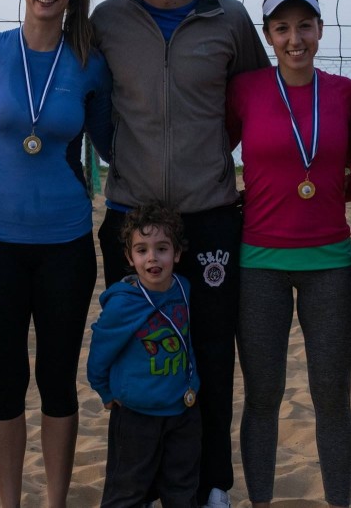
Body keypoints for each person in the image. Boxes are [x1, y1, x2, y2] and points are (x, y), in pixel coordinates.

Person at [91, 0, 270, 508]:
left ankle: (213, 484)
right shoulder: (108, 20)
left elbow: (249, 105)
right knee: (137, 355)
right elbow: (91, 105)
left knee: (212, 351)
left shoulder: (231, 19)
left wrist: (209, 159)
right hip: (132, 216)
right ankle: (133, 485)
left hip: (209, 213)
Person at [0, 0, 112, 508]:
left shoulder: (90, 62)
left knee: (56, 380)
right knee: (6, 381)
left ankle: (55, 501)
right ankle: (10, 500)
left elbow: (118, 142)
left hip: (66, 241)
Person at [226, 0, 351, 508]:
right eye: (282, 28)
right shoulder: (247, 89)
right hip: (259, 264)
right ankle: (260, 500)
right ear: (268, 37)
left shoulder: (344, 92)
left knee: (332, 398)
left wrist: (320, 198)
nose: (295, 38)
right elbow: (215, 147)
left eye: (305, 26)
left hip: (330, 264)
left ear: (320, 30)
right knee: (263, 396)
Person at [88, 202, 201, 508]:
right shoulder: (122, 304)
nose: (152, 257)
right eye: (141, 250)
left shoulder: (184, 288)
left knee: (182, 490)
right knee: (127, 493)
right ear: (129, 257)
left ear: (176, 254)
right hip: (136, 416)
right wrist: (105, 391)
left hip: (181, 411)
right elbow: (99, 352)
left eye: (162, 248)